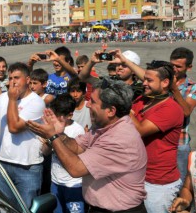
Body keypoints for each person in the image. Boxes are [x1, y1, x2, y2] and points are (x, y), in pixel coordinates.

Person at [27, 77, 147, 213]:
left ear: (111, 111)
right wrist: (59, 134)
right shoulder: (103, 127)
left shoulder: (119, 139)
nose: (88, 105)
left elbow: (76, 169)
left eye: (93, 102)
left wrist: (52, 137)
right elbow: (78, 147)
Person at [0, 62, 46, 208]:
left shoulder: (36, 102)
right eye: (10, 78)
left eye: (16, 78)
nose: (12, 82)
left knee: (25, 208)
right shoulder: (2, 98)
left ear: (27, 80)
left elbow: (14, 127)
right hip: (2, 164)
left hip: (28, 167)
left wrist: (12, 99)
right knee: (4, 207)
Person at [121, 57, 183, 213]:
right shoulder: (143, 99)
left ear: (165, 83)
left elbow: (140, 129)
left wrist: (123, 105)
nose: (144, 83)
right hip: (137, 176)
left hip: (158, 184)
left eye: (149, 80)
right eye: (144, 79)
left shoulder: (171, 108)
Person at [40, 94, 85, 213]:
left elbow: (78, 156)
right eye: (54, 115)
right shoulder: (51, 128)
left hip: (74, 185)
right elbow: (45, 152)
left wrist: (60, 137)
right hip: (55, 182)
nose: (56, 120)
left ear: (70, 115)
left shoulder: (78, 130)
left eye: (60, 118)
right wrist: (49, 141)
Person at [169, 47, 196, 183]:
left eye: (178, 66)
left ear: (189, 67)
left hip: (180, 142)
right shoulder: (162, 80)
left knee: (180, 180)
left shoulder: (193, 87)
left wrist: (174, 89)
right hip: (159, 138)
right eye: (171, 65)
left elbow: (186, 111)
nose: (174, 69)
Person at [79, 49, 143, 101]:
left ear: (133, 71)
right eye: (118, 64)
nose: (120, 67)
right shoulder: (110, 82)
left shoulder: (139, 89)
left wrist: (126, 61)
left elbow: (150, 79)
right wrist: (91, 62)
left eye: (124, 65)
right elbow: (83, 77)